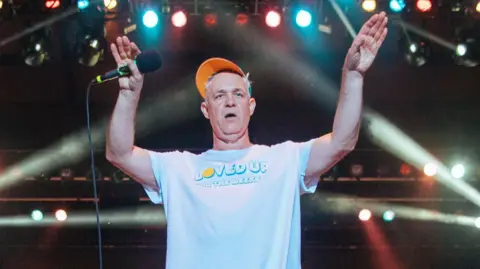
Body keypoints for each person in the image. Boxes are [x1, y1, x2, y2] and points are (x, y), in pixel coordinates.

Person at [106, 12, 388, 269]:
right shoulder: (178, 168)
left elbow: (341, 142)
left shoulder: (284, 159)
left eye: (238, 94)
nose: (229, 100)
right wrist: (128, 96)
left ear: (250, 106)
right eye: (219, 96)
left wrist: (352, 76)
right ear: (206, 110)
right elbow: (120, 153)